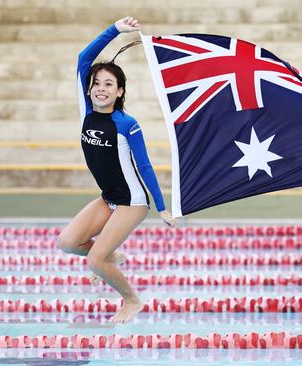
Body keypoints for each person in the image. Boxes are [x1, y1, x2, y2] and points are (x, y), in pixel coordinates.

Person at [57, 16, 175, 324]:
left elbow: (145, 165)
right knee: (68, 242)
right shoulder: (86, 109)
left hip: (131, 202)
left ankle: (131, 299)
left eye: (109, 84)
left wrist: (162, 208)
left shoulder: (126, 124)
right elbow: (84, 59)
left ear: (120, 91)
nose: (100, 88)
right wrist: (115, 31)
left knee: (94, 260)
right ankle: (110, 256)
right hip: (108, 197)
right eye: (97, 83)